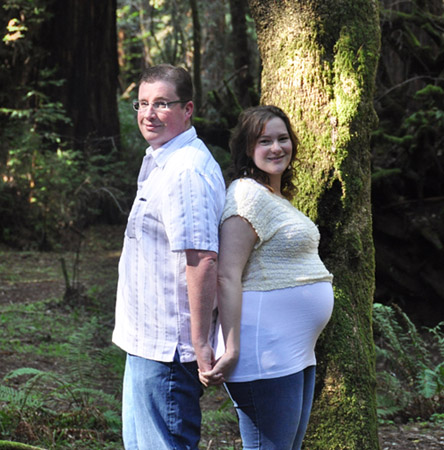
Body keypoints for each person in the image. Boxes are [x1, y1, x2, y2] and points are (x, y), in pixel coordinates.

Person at [200, 105, 334, 449]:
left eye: (282, 139)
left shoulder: (274, 197)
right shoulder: (246, 195)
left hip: (294, 350)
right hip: (264, 351)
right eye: (265, 141)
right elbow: (227, 275)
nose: (276, 148)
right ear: (248, 148)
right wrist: (231, 348)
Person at [112, 64, 226, 450]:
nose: (149, 113)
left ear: (187, 109)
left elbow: (203, 258)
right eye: (142, 103)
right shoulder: (163, 159)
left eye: (161, 104)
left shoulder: (185, 171)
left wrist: (200, 344)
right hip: (147, 341)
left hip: (169, 349)